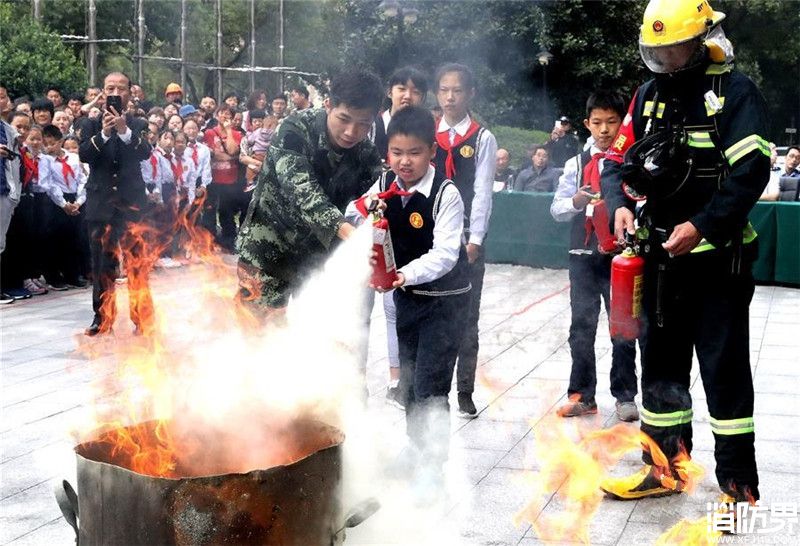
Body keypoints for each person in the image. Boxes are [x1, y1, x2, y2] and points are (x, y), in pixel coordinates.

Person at [599, 0, 769, 504]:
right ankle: (664, 467)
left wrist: (702, 224)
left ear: (700, 41)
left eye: (674, 49)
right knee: (660, 368)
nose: (666, 60)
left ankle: (739, 484)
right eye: (658, 51)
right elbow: (616, 163)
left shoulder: (735, 93)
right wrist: (619, 207)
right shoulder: (648, 95)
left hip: (718, 261)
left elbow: (750, 174)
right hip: (660, 262)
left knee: (724, 370)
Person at [346, 105, 471, 493]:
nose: (404, 161)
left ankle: (433, 466)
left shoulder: (445, 194)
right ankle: (415, 450)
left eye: (414, 153)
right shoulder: (385, 182)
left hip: (444, 303)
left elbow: (447, 254)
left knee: (431, 387)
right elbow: (354, 210)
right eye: (396, 152)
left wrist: (402, 274)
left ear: (431, 151)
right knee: (410, 382)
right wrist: (358, 228)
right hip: (407, 302)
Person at [236, 67, 384, 315]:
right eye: (344, 119)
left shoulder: (366, 154)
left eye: (363, 124)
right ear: (328, 105)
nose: (351, 132)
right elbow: (305, 195)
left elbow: (375, 197)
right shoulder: (294, 131)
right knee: (257, 336)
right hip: (268, 252)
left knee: (314, 340)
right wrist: (354, 236)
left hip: (319, 262)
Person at [550, 91, 639, 422]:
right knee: (581, 328)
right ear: (587, 124)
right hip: (583, 256)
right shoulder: (575, 164)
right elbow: (556, 209)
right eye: (597, 123)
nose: (604, 130)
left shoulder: (631, 162)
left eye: (612, 122)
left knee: (624, 328)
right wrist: (575, 201)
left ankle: (625, 395)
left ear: (622, 124)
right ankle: (582, 395)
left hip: (621, 258)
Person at [433, 63, 497, 418]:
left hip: (464, 240)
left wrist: (476, 238)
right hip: (430, 236)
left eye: (456, 90)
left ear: (469, 94)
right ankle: (428, 386)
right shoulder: (428, 133)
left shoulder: (482, 137)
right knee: (430, 313)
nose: (450, 97)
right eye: (443, 90)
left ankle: (465, 390)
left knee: (466, 317)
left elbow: (483, 191)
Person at [79, 71, 154, 336]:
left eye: (121, 88)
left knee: (136, 263)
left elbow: (145, 152)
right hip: (101, 205)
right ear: (102, 91)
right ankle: (103, 318)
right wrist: (105, 133)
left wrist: (123, 130)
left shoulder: (138, 123)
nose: (115, 92)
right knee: (102, 265)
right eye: (110, 87)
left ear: (130, 92)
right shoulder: (89, 124)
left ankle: (142, 318)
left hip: (131, 204)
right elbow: (85, 154)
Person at [39, 124, 87, 287]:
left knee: (73, 237)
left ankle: (73, 274)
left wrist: (78, 201)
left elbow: (81, 179)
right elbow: (47, 183)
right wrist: (63, 203)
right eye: (45, 144)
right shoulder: (45, 160)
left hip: (74, 198)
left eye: (52, 143)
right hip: (55, 201)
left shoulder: (73, 158)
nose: (48, 147)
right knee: (55, 238)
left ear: (60, 141)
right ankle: (54, 276)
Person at [203, 105, 243, 251]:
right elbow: (211, 154)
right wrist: (229, 157)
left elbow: (233, 150)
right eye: (222, 113)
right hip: (212, 179)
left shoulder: (237, 134)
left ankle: (228, 242)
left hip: (230, 180)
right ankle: (209, 242)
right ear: (216, 115)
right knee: (209, 211)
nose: (225, 116)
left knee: (227, 212)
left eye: (228, 114)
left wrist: (229, 132)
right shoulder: (208, 133)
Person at [372, 66, 428, 160]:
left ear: (422, 98)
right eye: (402, 89)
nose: (408, 96)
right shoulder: (372, 126)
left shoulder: (427, 130)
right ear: (389, 92)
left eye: (416, 92)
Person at [0, 117, 22, 304]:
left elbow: (15, 162)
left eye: (3, 97)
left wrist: (14, 193)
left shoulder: (7, 129)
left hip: (4, 191)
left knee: (0, 242)